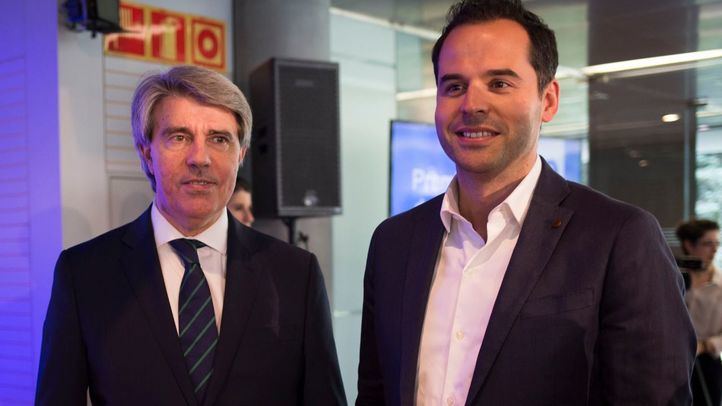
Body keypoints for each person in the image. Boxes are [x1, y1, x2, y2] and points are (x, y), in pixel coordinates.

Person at [356, 0, 695, 404]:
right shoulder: (394, 242)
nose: (472, 104)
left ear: (547, 100)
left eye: (499, 83)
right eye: (454, 86)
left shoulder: (619, 237)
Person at [36, 65, 346, 405]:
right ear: (146, 153)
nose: (200, 158)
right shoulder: (84, 275)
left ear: (241, 155)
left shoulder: (296, 275)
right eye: (179, 137)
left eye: (219, 139)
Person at [677, 219, 722, 406]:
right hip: (675, 361)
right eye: (708, 244)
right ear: (689, 245)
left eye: (717, 244)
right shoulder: (673, 278)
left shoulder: (720, 283)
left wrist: (705, 345)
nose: (714, 250)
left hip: (707, 363)